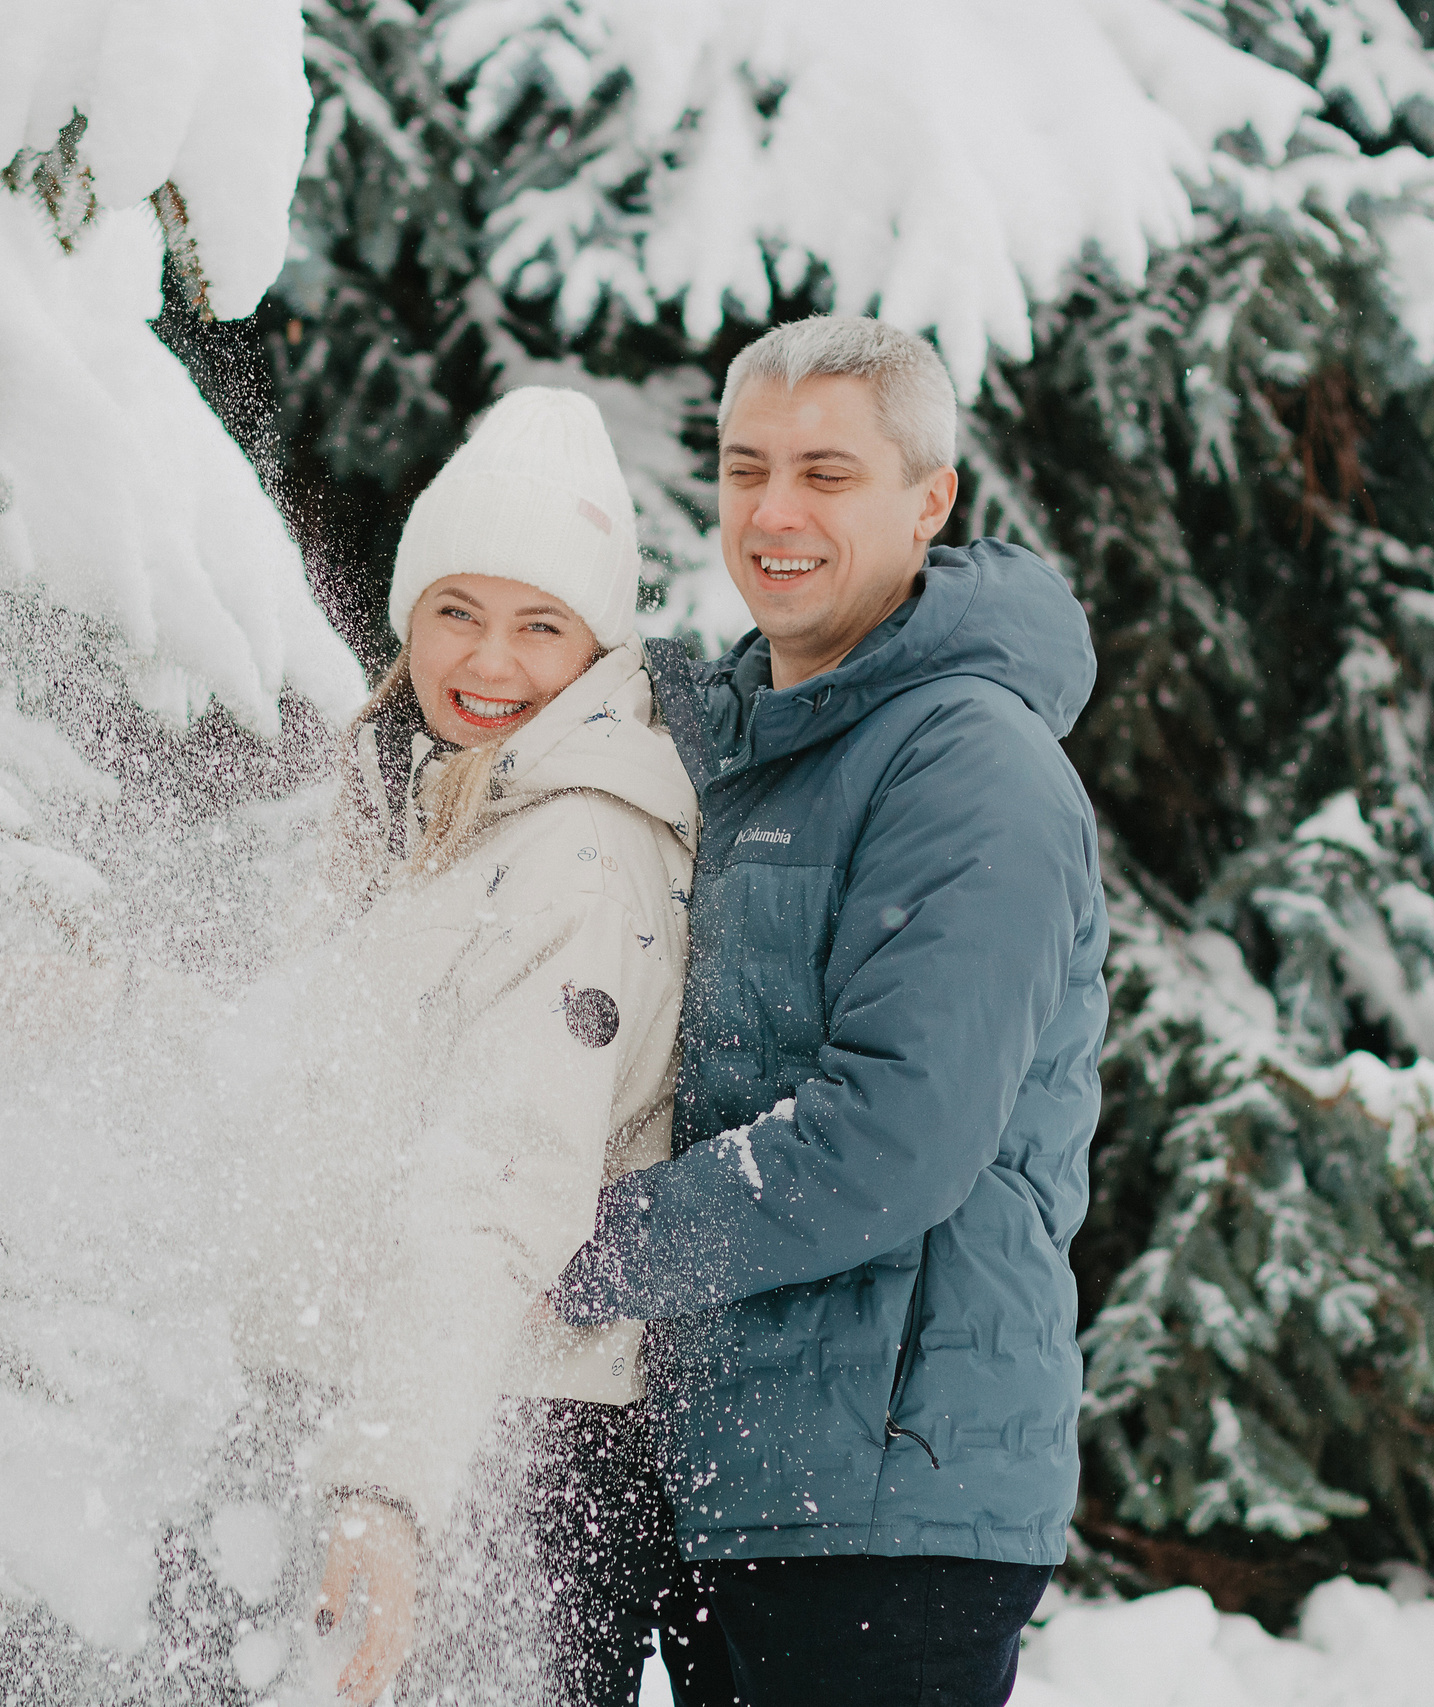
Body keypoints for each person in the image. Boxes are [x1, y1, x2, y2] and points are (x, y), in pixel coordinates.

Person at [552, 316, 1110, 1707]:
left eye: (827, 473)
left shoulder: (969, 766)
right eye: (747, 470)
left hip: (887, 1508)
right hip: (732, 1478)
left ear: (932, 500)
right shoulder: (749, 751)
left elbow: (892, 1139)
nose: (775, 513)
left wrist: (573, 1244)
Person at [223, 388, 699, 1706]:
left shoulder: (578, 853)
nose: (487, 661)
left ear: (597, 648)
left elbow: (494, 1182)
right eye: (456, 612)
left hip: (503, 1447)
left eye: (539, 625)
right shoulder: (425, 805)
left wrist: (385, 1486)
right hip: (358, 1407)